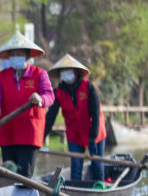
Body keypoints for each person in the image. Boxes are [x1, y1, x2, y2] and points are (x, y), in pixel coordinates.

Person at [0, 31, 54, 177]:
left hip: (30, 132)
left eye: (19, 54)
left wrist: (40, 99)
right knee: (8, 172)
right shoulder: (2, 76)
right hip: (8, 131)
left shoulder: (40, 74)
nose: (16, 57)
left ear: (27, 56)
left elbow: (50, 96)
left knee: (24, 175)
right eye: (13, 54)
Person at [43, 53, 106, 182]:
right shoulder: (59, 92)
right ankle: (76, 192)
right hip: (74, 134)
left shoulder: (88, 87)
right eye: (63, 72)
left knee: (97, 163)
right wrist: (41, 137)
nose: (66, 74)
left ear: (76, 72)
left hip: (93, 131)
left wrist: (92, 138)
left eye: (69, 71)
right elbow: (50, 116)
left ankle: (100, 186)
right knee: (76, 166)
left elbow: (95, 112)